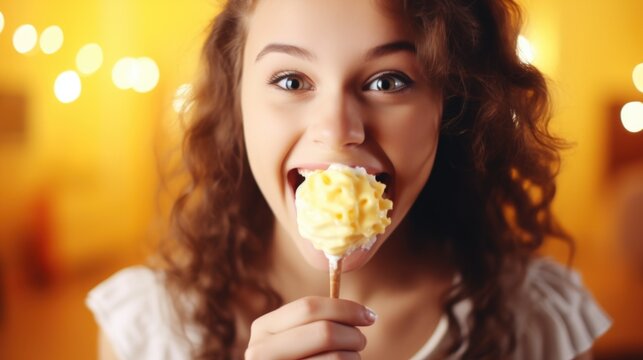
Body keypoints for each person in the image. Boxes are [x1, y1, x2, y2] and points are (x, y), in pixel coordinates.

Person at [86, 0, 612, 359]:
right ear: (237, 101)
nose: (338, 131)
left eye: (388, 81)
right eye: (291, 79)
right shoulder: (151, 332)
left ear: (450, 105)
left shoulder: (541, 324)